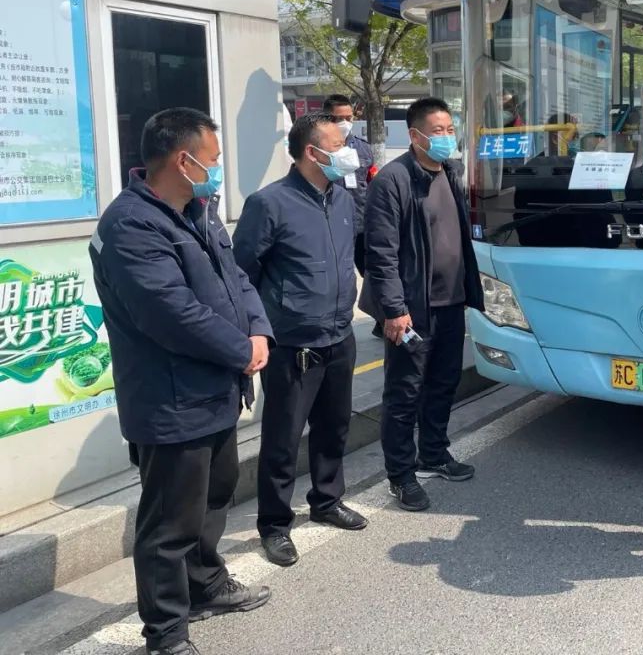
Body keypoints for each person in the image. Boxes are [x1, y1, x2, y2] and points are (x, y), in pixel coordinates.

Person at [89, 108, 272, 655]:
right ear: (183, 160)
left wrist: (259, 330)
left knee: (214, 496)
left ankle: (205, 584)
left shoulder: (199, 209)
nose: (218, 171)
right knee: (170, 521)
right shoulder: (130, 225)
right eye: (212, 160)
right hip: (171, 400)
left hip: (215, 391)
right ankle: (166, 632)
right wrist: (242, 351)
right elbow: (171, 313)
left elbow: (237, 279)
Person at [233, 112, 369, 568]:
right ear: (312, 152)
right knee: (283, 438)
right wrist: (257, 330)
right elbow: (242, 274)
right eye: (338, 145)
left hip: (340, 334)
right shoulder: (269, 203)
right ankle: (274, 524)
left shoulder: (343, 198)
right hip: (293, 344)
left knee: (334, 426)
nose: (348, 152)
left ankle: (327, 500)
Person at [361, 96, 485, 511]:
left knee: (443, 383)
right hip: (413, 309)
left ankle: (433, 453)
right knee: (404, 392)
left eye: (450, 129)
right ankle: (401, 474)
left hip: (451, 302)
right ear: (415, 136)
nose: (447, 137)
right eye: (438, 131)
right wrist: (394, 309)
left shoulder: (450, 172)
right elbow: (381, 253)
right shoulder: (392, 181)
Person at [323, 94, 376, 277]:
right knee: (337, 276)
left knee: (371, 273)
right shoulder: (318, 150)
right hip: (331, 224)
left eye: (348, 118)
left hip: (361, 223)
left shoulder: (363, 148)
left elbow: (372, 183)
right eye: (339, 119)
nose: (345, 123)